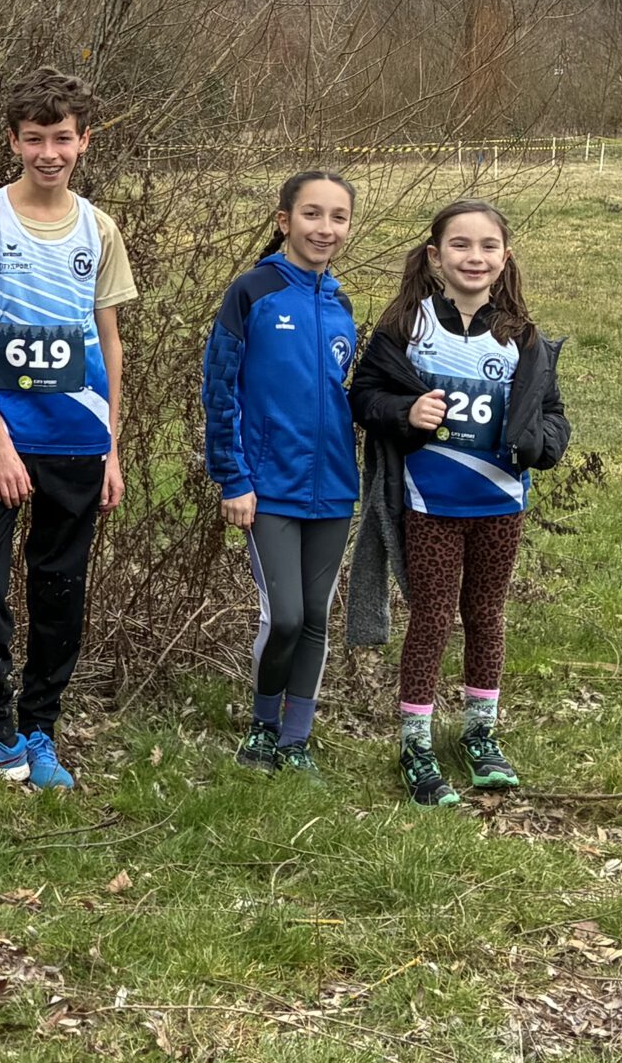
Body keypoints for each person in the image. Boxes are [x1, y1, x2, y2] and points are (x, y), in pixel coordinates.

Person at [0, 66, 136, 792]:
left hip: (79, 440)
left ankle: (41, 730)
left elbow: (110, 341)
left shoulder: (99, 229)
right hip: (2, 440)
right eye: (36, 138)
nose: (50, 152)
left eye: (63, 138)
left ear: (85, 142)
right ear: (14, 141)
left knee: (58, 586)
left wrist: (112, 448)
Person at [349, 198, 569, 806]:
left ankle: (480, 734)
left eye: (488, 246)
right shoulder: (407, 328)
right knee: (431, 617)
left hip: (500, 505)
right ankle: (415, 744)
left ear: (505, 257)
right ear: (435, 256)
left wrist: (540, 444)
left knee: (486, 615)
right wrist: (404, 411)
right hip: (430, 506)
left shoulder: (522, 336)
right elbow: (363, 396)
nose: (475, 257)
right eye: (461, 245)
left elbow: (553, 414)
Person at [201, 170, 359, 777]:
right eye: (312, 214)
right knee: (285, 616)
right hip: (267, 488)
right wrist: (233, 477)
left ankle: (296, 739)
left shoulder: (341, 304)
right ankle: (263, 728)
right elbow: (220, 389)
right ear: (284, 220)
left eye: (338, 217)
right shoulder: (252, 292)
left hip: (334, 489)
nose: (325, 228)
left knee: (316, 618)